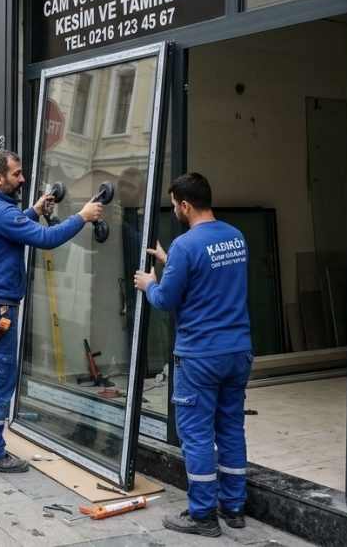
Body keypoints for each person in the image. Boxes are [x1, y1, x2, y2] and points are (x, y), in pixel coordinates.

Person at [0, 150, 104, 473]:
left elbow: (8, 229)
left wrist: (33, 211)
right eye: (16, 174)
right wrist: (82, 216)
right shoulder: (1, 212)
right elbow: (47, 239)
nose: (22, 178)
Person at [134, 173, 251, 538]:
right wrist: (172, 262)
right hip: (238, 351)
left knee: (197, 435)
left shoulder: (187, 245)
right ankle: (233, 508)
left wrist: (151, 283)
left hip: (200, 355)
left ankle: (202, 515)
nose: (176, 212)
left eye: (175, 205)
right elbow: (211, 278)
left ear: (185, 204)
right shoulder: (236, 237)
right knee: (230, 428)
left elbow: (167, 300)